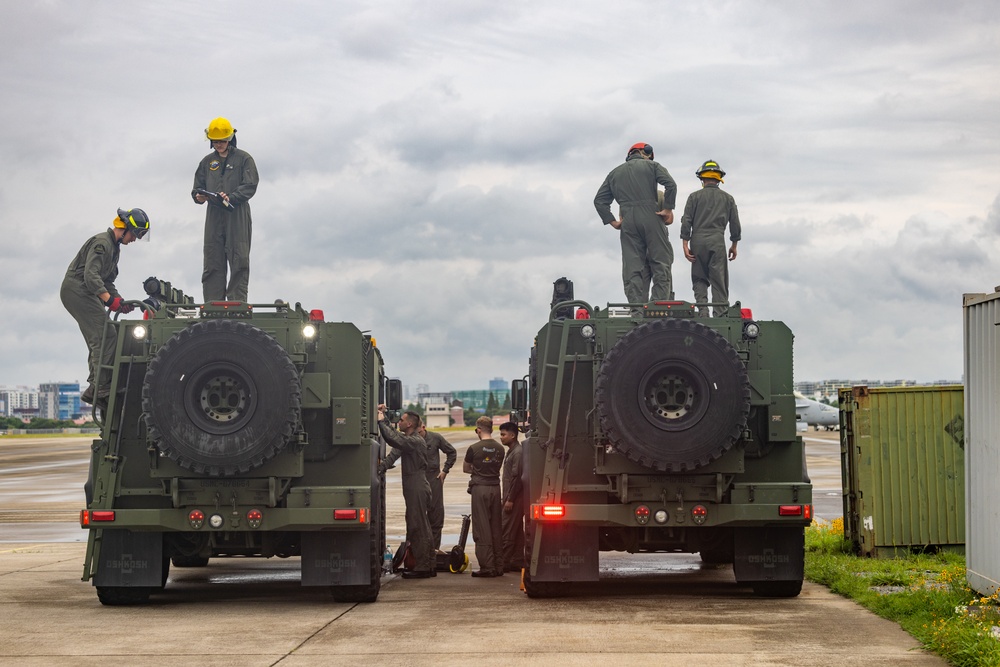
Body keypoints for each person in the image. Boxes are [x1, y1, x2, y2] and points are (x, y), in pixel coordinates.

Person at [60, 208, 150, 405]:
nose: (134, 240)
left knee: (104, 334)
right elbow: (91, 277)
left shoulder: (114, 249)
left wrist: (119, 301)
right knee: (104, 334)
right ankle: (100, 387)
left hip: (86, 292)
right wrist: (110, 301)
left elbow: (106, 282)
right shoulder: (103, 243)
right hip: (78, 290)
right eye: (134, 234)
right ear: (124, 228)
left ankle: (95, 385)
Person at [594, 142, 678, 305]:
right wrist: (668, 208)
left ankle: (637, 308)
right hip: (651, 216)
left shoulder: (614, 173)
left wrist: (612, 222)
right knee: (661, 262)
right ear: (642, 152)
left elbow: (599, 201)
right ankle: (658, 306)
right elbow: (671, 185)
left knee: (632, 267)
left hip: (627, 220)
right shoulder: (653, 166)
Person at [192, 117, 259, 303]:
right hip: (214, 214)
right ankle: (213, 305)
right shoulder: (207, 162)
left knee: (239, 258)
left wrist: (232, 197)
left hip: (236, 212)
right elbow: (197, 186)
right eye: (215, 141)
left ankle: (236, 304)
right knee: (213, 258)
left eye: (221, 140)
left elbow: (251, 184)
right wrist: (199, 197)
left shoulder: (244, 159)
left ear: (230, 138)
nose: (218, 144)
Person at [377, 406, 435, 579]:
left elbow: (393, 439)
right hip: (413, 485)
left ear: (409, 424)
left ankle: (423, 567)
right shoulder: (409, 440)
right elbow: (395, 445)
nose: (399, 423)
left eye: (401, 421)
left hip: (416, 485)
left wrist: (380, 420)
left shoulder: (414, 441)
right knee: (417, 524)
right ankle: (426, 564)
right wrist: (385, 417)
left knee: (418, 525)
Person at [680, 160, 741, 317]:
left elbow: (686, 221)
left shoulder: (693, 197)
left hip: (697, 240)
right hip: (717, 240)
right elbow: (735, 223)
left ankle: (703, 311)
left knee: (699, 277)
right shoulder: (728, 199)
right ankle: (720, 314)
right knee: (719, 279)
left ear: (702, 179)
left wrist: (685, 244)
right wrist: (734, 244)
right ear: (719, 179)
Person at [384, 423, 457, 551]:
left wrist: (445, 470)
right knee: (414, 517)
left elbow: (451, 452)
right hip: (417, 480)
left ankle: (433, 551)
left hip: (433, 479)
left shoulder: (435, 438)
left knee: (436, 516)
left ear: (423, 428)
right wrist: (383, 467)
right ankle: (412, 552)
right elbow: (393, 454)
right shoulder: (408, 440)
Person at [464, 416, 505, 577]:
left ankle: (487, 567)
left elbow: (466, 468)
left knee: (482, 528)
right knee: (496, 526)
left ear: (479, 429)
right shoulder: (500, 448)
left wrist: (478, 470)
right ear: (492, 429)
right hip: (495, 487)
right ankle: (498, 565)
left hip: (480, 488)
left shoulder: (474, 448)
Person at [498, 421, 525, 573]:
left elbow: (517, 478)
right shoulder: (512, 451)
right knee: (516, 530)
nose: (501, 437)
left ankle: (504, 561)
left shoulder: (518, 452)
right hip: (511, 497)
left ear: (513, 435)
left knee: (506, 529)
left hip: (514, 498)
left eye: (503, 434)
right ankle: (517, 561)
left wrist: (510, 499)